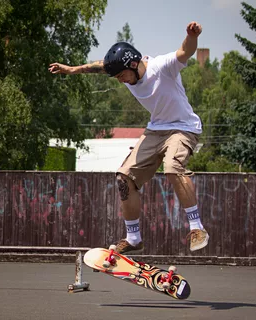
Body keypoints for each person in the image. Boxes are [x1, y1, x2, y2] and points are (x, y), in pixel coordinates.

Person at [49, 21, 209, 254]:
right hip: (156, 129)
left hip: (183, 128)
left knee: (172, 167)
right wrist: (72, 69)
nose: (120, 81)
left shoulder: (162, 66)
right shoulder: (123, 69)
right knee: (124, 178)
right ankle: (133, 237)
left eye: (122, 76)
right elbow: (99, 66)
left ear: (134, 65)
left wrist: (192, 35)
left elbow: (185, 52)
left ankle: (197, 227)